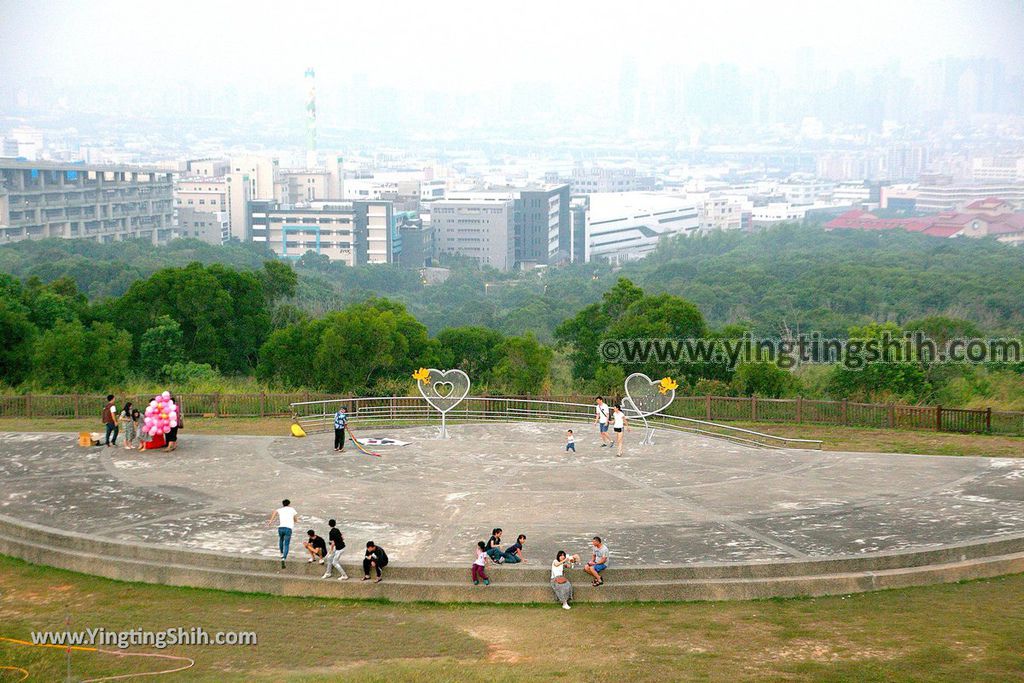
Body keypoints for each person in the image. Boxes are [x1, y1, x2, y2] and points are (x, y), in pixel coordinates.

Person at [267, 499, 298, 569]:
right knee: (286, 543)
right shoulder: (292, 509)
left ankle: (281, 553)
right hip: (288, 528)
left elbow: (274, 513)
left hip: (280, 528)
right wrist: (295, 520)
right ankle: (284, 557)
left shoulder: (280, 509)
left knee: (281, 540)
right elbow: (296, 519)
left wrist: (270, 521)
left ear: (283, 504)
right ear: (289, 504)